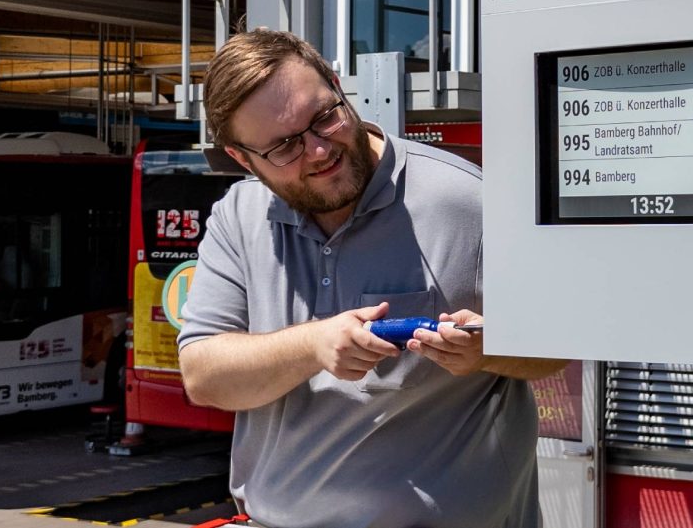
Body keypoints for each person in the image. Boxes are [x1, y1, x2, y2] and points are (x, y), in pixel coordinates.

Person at [177, 29, 568, 528]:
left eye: (324, 117)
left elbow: (558, 349)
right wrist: (314, 345)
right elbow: (204, 377)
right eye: (284, 148)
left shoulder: (470, 203)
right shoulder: (239, 216)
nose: (318, 151)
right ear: (242, 159)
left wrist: (487, 350)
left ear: (339, 87)